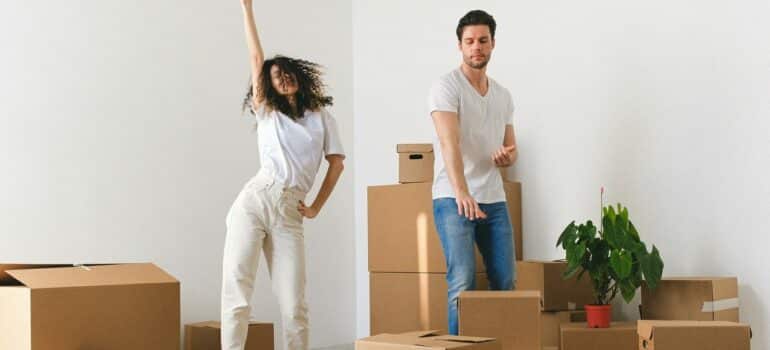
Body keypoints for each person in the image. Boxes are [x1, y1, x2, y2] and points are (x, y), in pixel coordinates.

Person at [221, 1, 345, 349]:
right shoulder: (267, 112)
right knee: (238, 294)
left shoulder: (321, 117)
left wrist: (317, 206)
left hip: (290, 211)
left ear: (299, 77)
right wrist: (247, 8)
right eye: (276, 76)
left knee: (294, 306)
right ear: (269, 85)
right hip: (255, 200)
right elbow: (256, 60)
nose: (283, 78)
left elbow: (336, 164)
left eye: (288, 73)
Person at [428, 9, 518, 335]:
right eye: (469, 41)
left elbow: (511, 147)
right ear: (460, 46)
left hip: (493, 197)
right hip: (453, 198)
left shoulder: (503, 96)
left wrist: (506, 158)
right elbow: (448, 142)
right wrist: (461, 191)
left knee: (505, 281)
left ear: (493, 44)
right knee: (462, 282)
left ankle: (502, 343)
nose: (476, 47)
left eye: (482, 40)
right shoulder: (445, 87)